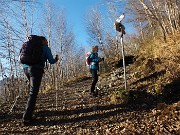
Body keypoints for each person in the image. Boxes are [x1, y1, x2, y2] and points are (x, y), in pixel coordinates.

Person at [22, 36, 58, 125]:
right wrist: (56, 59)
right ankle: (26, 118)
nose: (47, 42)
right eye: (46, 40)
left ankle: (30, 113)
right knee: (33, 93)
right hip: (36, 69)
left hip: (26, 69)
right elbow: (51, 61)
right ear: (42, 41)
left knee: (32, 92)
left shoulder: (30, 45)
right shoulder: (45, 48)